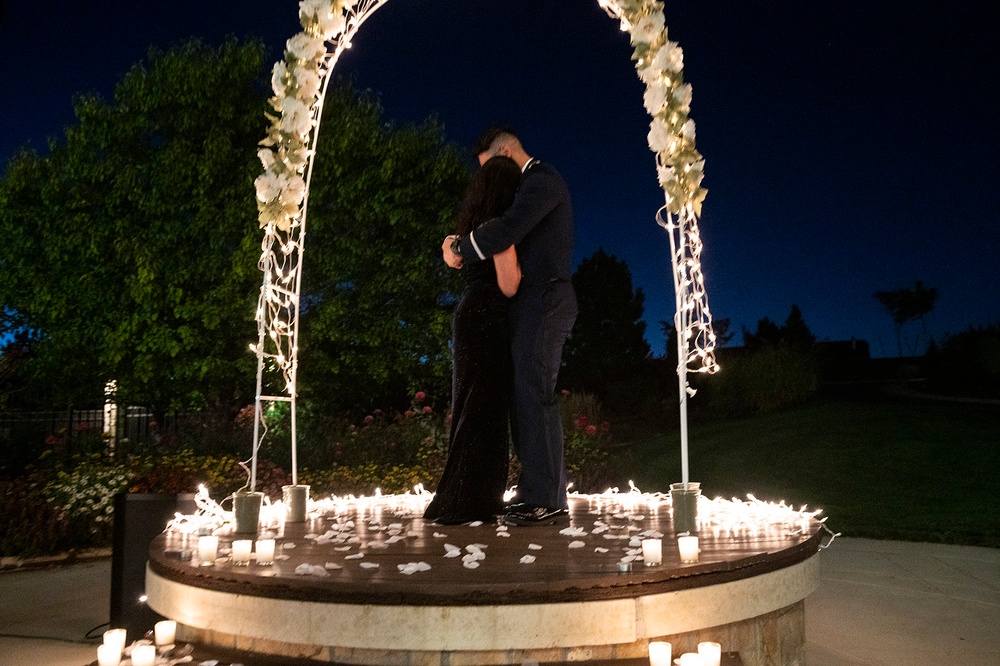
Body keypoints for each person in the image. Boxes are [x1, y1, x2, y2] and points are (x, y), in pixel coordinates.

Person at [442, 127, 577, 526]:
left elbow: (506, 229)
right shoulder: (529, 186)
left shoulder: (542, 180)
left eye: (490, 166)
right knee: (525, 394)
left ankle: (546, 499)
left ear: (504, 149)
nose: (491, 177)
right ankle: (536, 492)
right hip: (531, 304)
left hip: (546, 301)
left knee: (534, 394)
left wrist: (459, 248)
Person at [424, 155, 523, 525]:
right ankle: (471, 500)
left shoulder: (471, 229)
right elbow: (509, 284)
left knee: (468, 403)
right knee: (484, 408)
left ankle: (463, 495)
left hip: (468, 315)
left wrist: (449, 242)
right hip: (487, 318)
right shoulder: (498, 228)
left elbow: (452, 252)